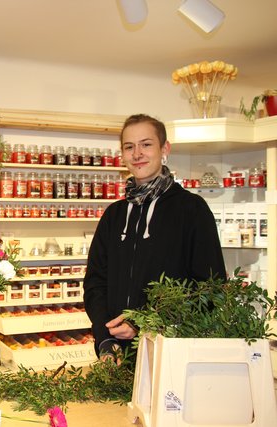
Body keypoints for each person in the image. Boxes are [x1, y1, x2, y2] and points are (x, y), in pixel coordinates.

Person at [83, 113, 226, 361]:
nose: (137, 153)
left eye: (146, 144)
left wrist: (144, 324)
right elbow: (96, 281)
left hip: (170, 352)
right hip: (117, 355)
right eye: (129, 147)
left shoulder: (191, 209)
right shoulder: (114, 215)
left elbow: (210, 288)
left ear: (164, 149)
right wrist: (104, 337)